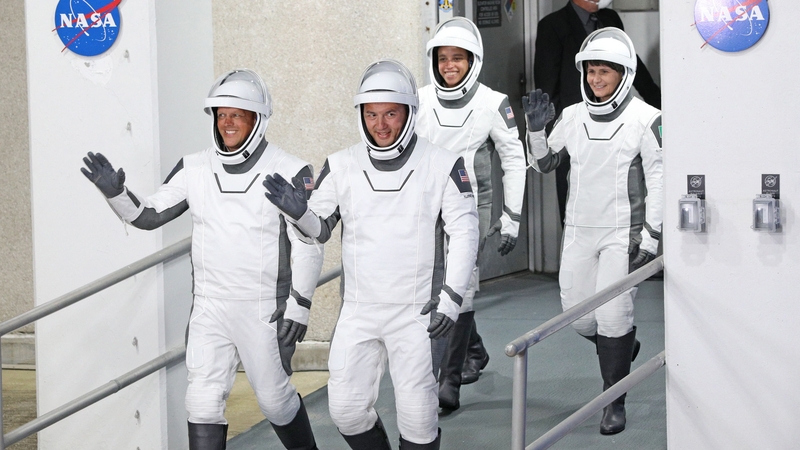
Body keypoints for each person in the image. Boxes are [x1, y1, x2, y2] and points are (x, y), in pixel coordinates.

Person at [80, 69, 322, 450]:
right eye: (221, 114)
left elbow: (311, 243)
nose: (226, 123)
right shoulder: (193, 167)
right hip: (210, 308)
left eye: (236, 115)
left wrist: (300, 305)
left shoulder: (290, 169)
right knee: (203, 403)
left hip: (264, 309)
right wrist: (116, 193)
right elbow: (148, 215)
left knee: (275, 401)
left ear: (257, 120)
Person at [263, 59, 479, 449]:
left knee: (417, 417)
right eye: (372, 114)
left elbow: (464, 232)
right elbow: (319, 229)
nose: (381, 124)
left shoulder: (443, 164)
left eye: (391, 114)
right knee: (345, 408)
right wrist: (299, 213)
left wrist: (450, 298)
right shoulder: (341, 164)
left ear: (409, 113)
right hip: (359, 310)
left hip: (418, 313)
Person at [523, 28, 662, 435]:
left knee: (614, 314)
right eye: (591, 72)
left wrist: (651, 237)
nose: (596, 80)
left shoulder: (647, 119)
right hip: (579, 231)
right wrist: (534, 131)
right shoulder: (572, 115)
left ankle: (613, 401)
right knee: (579, 317)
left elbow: (659, 178)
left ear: (625, 74)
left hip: (624, 233)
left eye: (606, 72)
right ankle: (620, 350)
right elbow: (545, 165)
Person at [415, 16, 527, 411]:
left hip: (469, 207)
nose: (449, 66)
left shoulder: (492, 103)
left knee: (460, 286)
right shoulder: (419, 98)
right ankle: (474, 350)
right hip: (422, 205)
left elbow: (514, 159)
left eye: (457, 58)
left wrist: (511, 216)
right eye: (443, 58)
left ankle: (449, 381)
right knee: (434, 285)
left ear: (473, 61)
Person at [534, 0, 661, 223]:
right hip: (576, 130)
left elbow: (632, 66)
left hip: (616, 123)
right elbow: (547, 87)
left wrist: (660, 103)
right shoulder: (553, 26)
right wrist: (557, 134)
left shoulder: (610, 19)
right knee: (574, 208)